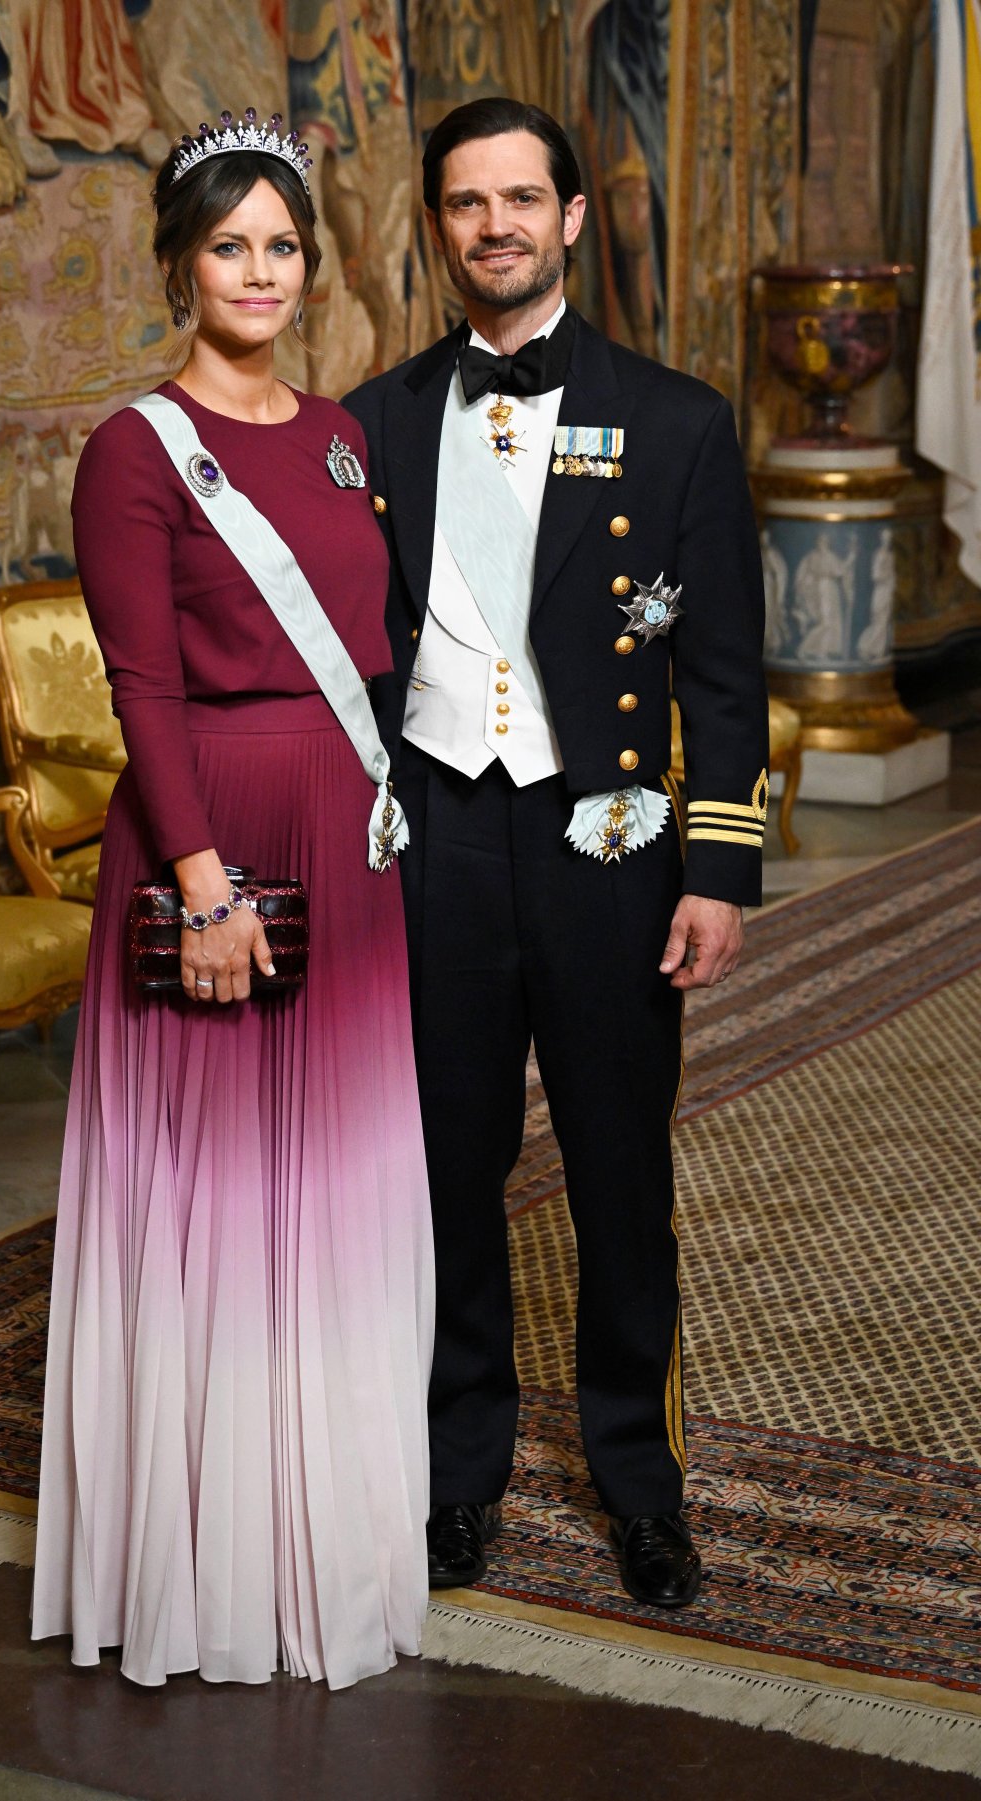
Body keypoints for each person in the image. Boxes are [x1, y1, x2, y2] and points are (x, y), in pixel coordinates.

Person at [343, 97, 769, 1609]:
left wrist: (716, 866)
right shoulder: (374, 420)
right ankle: (462, 1475)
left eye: (524, 198)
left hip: (610, 841)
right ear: (437, 226)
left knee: (618, 1170)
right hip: (439, 839)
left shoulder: (680, 419)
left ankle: (636, 1481)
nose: (496, 226)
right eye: (468, 203)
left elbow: (722, 669)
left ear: (573, 217)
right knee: (446, 1171)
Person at [31, 110, 434, 1690]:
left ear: (306, 267)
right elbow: (142, 682)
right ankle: (210, 1565)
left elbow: (382, 646)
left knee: (331, 1189)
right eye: (229, 246)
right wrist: (202, 886)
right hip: (220, 851)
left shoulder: (337, 430)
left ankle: (325, 1537)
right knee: (228, 1197)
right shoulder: (135, 448)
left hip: (349, 839)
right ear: (179, 265)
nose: (258, 271)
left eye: (282, 245)